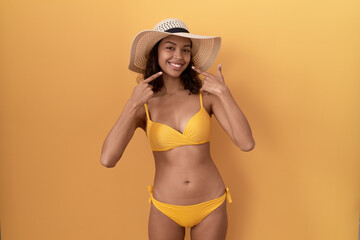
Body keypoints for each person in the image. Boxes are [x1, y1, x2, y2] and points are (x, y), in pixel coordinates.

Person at [100, 18, 255, 240]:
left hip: (210, 204)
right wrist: (131, 105)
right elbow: (108, 159)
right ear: (156, 53)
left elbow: (246, 143)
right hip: (166, 209)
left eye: (186, 50)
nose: (178, 57)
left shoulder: (207, 97)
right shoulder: (143, 104)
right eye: (170, 48)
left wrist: (224, 94)